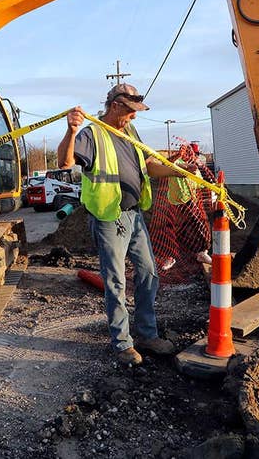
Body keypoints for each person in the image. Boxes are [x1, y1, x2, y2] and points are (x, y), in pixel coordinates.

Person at [58, 83, 187, 366]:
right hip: (108, 216)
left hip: (134, 214)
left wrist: (178, 167)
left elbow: (149, 167)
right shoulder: (92, 134)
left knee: (149, 273)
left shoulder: (129, 132)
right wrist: (71, 130)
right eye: (130, 111)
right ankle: (122, 343)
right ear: (115, 105)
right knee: (116, 281)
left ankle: (146, 335)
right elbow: (65, 162)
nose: (134, 117)